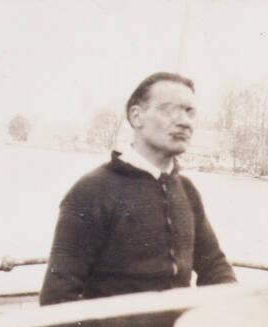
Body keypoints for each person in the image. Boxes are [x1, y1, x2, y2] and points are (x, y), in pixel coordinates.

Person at [40, 72, 236, 306]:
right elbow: (58, 296)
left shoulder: (186, 190)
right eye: (170, 109)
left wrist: (238, 308)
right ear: (136, 116)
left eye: (189, 111)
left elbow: (213, 265)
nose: (184, 121)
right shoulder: (92, 191)